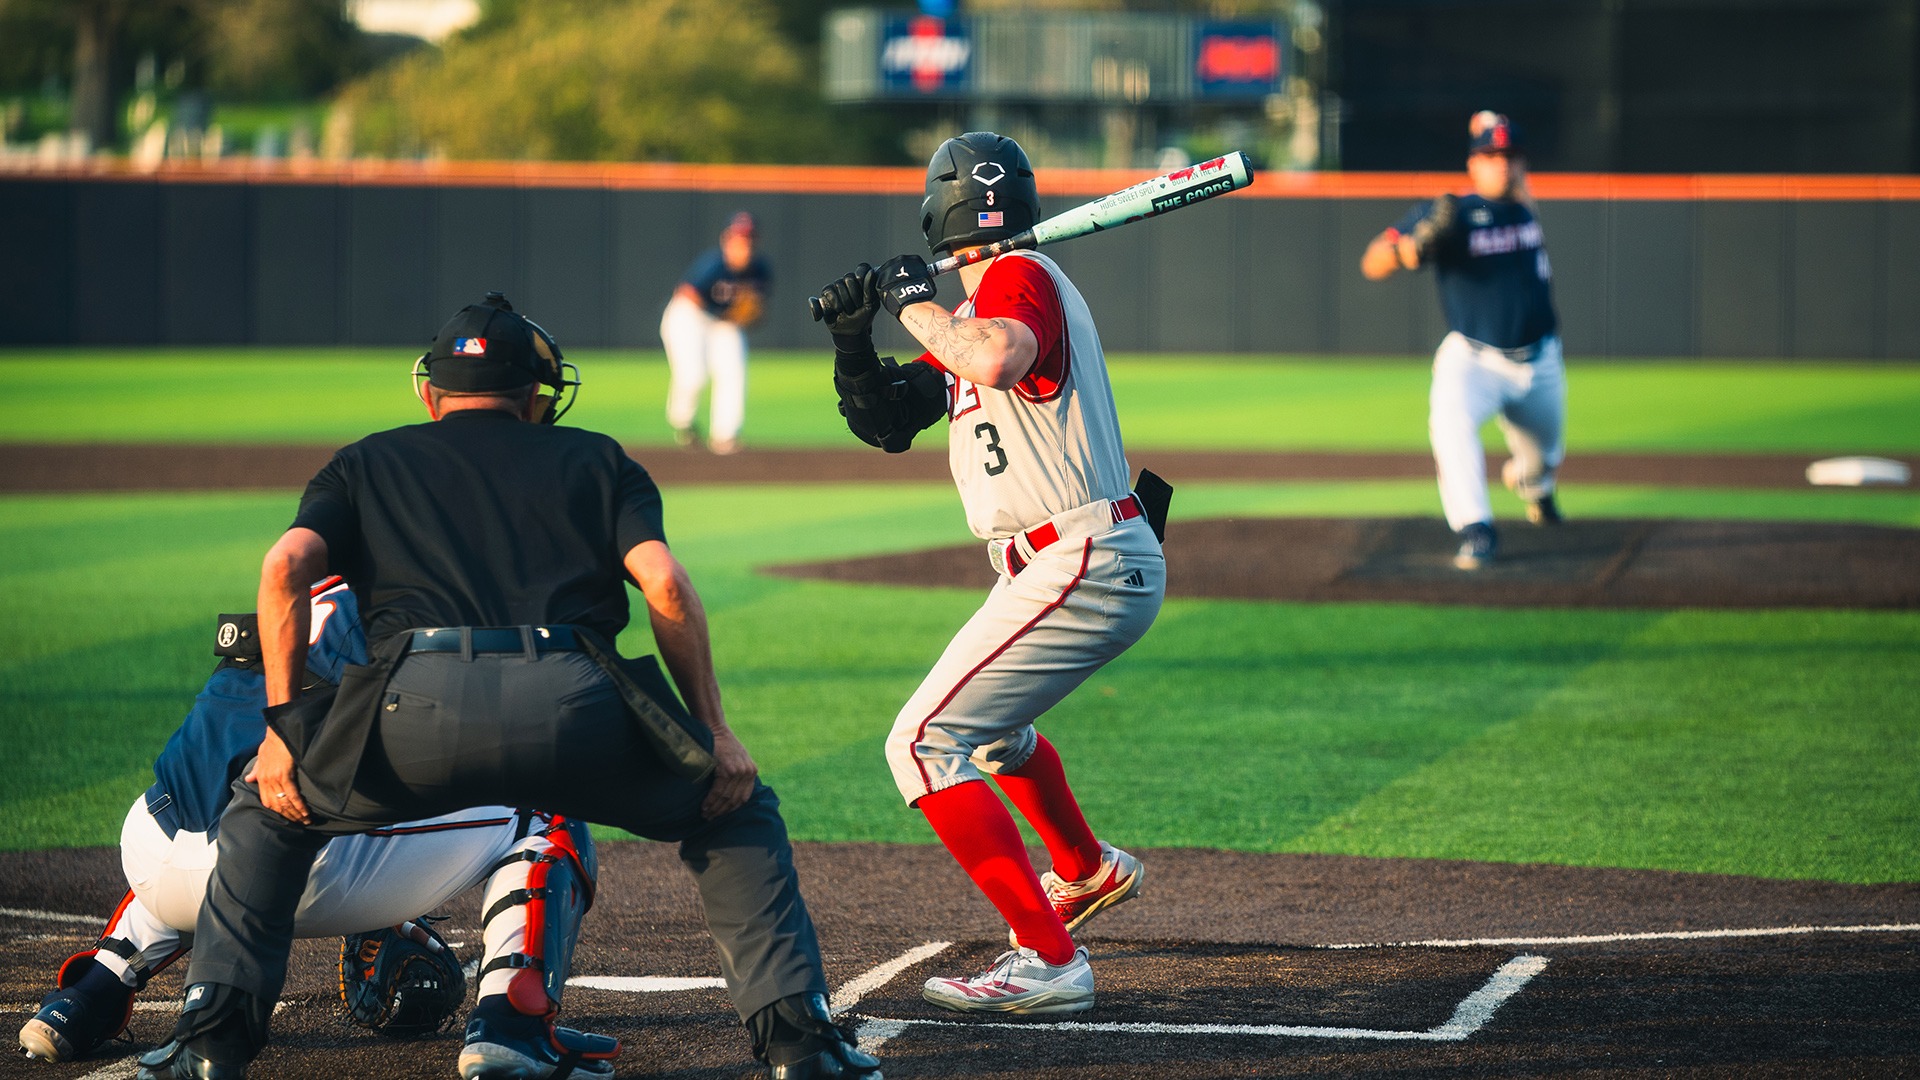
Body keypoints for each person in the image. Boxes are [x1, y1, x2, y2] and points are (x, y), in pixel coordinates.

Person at [133, 293, 878, 1080]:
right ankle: (800, 1044)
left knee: (264, 816)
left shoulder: (365, 460)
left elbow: (283, 569)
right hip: (575, 703)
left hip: (405, 710)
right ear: (534, 398)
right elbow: (663, 585)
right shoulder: (598, 458)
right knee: (735, 811)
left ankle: (210, 1041)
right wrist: (714, 736)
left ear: (430, 393)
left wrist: (283, 729)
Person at [814, 132, 1164, 1016]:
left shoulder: (1019, 283)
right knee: (991, 735)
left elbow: (996, 356)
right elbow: (891, 420)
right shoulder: (989, 305)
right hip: (1063, 561)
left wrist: (908, 304)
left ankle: (1049, 959)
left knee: (922, 742)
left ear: (940, 209)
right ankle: (1083, 871)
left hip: (1078, 555)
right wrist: (858, 340)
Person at [17, 578, 588, 1069]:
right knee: (547, 810)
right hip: (289, 874)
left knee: (213, 833)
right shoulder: (439, 603)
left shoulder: (314, 588)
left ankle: (85, 997)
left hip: (147, 844)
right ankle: (510, 1023)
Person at [1360, 110, 1567, 570]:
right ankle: (1476, 528)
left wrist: (1490, 126)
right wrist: (1408, 249)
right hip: (1473, 360)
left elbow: (1517, 180)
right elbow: (1372, 262)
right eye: (1490, 155)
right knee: (1450, 427)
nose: (1502, 164)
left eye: (1510, 155)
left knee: (1543, 461)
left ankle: (1535, 488)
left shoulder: (1523, 204)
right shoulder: (1452, 212)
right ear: (1472, 162)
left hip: (1540, 361)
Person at [660, 211, 772, 455]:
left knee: (734, 372)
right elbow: (688, 294)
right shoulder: (714, 264)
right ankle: (683, 422)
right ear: (727, 239)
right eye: (740, 238)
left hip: (723, 322)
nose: (745, 244)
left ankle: (726, 435)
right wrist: (725, 314)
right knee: (693, 375)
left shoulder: (760, 269)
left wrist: (744, 317)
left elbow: (757, 312)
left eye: (749, 238)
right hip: (689, 316)